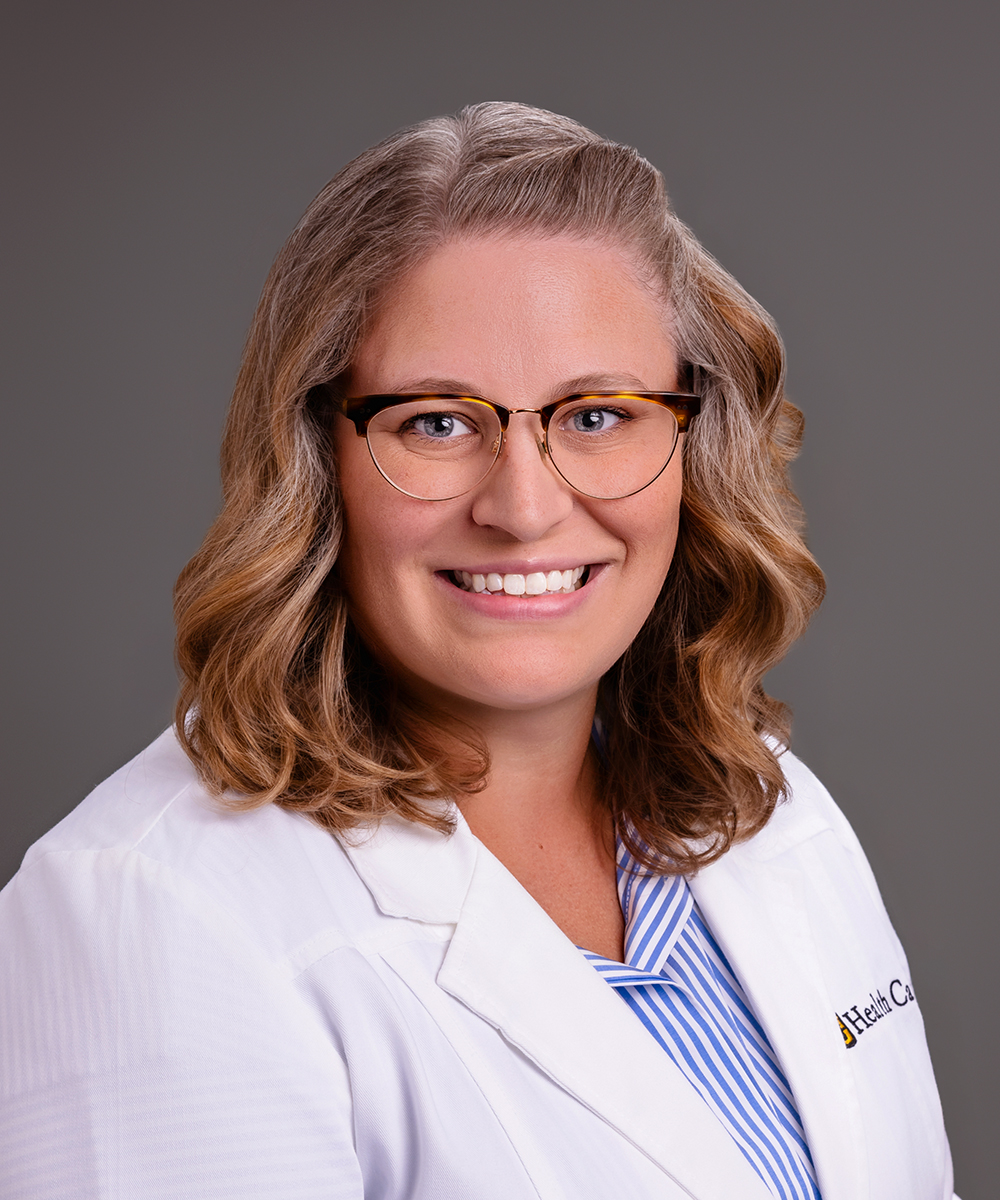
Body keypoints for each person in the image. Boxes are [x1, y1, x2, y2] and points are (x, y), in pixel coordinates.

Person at [0, 102, 956, 1200]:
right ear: (313, 459)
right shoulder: (146, 920)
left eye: (596, 415)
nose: (524, 507)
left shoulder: (765, 803)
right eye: (437, 423)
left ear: (695, 444)